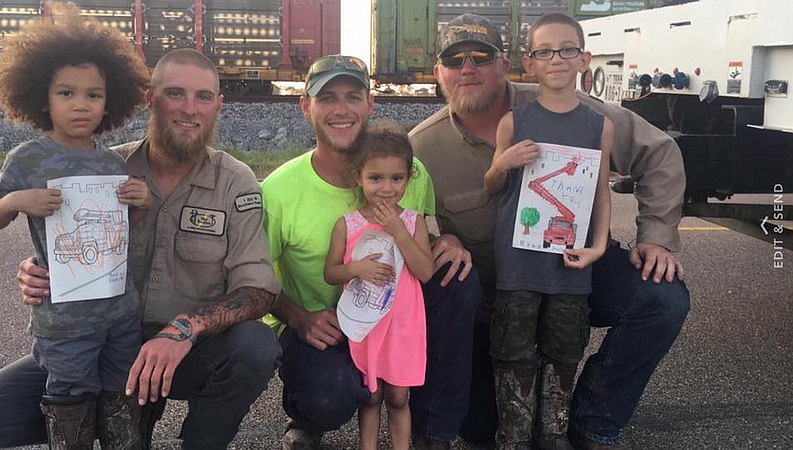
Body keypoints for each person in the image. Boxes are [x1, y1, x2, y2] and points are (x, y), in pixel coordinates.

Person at [408, 13, 690, 449]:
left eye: (481, 58)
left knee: (662, 297)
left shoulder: (567, 107)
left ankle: (592, 419)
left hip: (574, 275)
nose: (468, 69)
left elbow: (660, 153)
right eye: (454, 59)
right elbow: (395, 215)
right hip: (494, 300)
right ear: (438, 71)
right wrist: (437, 238)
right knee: (485, 430)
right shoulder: (420, 148)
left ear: (506, 65)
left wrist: (655, 235)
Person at [0, 48, 282, 450]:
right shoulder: (108, 169)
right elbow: (52, 228)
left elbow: (259, 291)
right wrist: (40, 267)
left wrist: (183, 329)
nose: (189, 109)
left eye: (202, 97)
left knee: (254, 346)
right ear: (150, 98)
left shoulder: (236, 181)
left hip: (185, 352)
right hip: (99, 342)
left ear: (219, 106)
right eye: (175, 93)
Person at [261, 54, 479, 450]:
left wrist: (451, 240)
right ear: (306, 106)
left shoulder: (410, 174)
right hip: (325, 326)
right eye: (327, 98)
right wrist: (298, 317)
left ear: (370, 104)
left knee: (459, 279)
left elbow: (428, 233)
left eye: (353, 97)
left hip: (395, 318)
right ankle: (307, 418)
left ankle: (434, 428)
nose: (341, 110)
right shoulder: (278, 191)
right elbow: (252, 275)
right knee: (328, 396)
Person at [0, 5, 151, 447]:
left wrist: (143, 200)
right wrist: (13, 200)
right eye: (67, 93)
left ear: (110, 101)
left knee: (121, 397)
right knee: (68, 399)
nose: (81, 104)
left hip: (120, 312)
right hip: (64, 320)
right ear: (42, 98)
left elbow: (122, 228)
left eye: (93, 95)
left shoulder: (111, 161)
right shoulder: (28, 159)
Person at [482, 13, 612, 449]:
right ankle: (514, 436)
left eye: (567, 49)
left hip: (571, 265)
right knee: (513, 351)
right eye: (544, 51)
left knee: (564, 348)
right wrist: (502, 163)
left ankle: (553, 432)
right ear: (529, 63)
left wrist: (597, 246)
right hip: (519, 265)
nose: (556, 59)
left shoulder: (599, 127)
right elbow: (491, 187)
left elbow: (601, 193)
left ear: (583, 59)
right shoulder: (513, 123)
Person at [323, 123, 434, 450]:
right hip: (367, 325)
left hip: (402, 327)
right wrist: (357, 268)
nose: (386, 188)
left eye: (396, 178)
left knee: (399, 397)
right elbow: (331, 272)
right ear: (358, 176)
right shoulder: (348, 223)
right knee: (370, 396)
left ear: (408, 177)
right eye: (376, 178)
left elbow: (425, 272)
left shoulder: (414, 222)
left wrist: (399, 231)